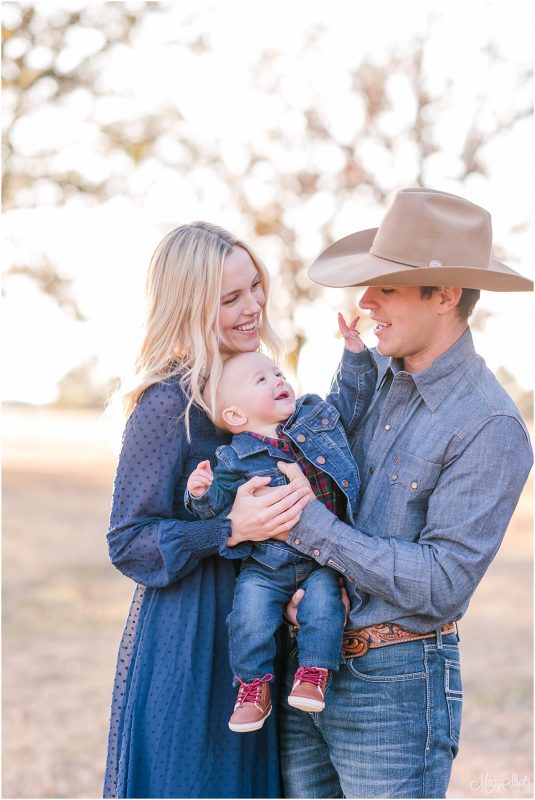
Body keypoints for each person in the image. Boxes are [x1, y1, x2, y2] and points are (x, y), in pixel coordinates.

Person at [228, 188, 534, 798]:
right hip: (306, 669)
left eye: (387, 288)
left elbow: (443, 581)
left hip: (396, 684)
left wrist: (309, 528)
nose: (365, 302)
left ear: (445, 295)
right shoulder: (366, 384)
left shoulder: (488, 426)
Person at [102, 222, 311, 799]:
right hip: (190, 638)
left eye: (255, 287)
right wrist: (227, 529)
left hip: (261, 633)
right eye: (230, 298)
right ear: (192, 306)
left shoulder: (265, 389)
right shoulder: (166, 403)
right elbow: (127, 539)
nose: (253, 307)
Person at [185, 319, 376, 732]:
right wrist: (202, 493)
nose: (277, 379)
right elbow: (219, 510)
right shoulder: (233, 458)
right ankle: (253, 687)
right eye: (261, 379)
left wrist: (355, 355)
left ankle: (314, 675)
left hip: (322, 557)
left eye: (277, 373)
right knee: (249, 615)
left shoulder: (313, 419)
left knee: (325, 607)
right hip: (266, 563)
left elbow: (351, 400)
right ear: (235, 414)